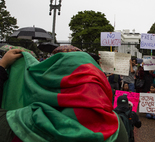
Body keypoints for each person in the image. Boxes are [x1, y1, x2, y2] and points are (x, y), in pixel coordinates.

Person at [0, 49, 129, 142]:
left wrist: (2, 66)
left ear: (43, 78)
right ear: (98, 79)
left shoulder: (15, 122)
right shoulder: (114, 127)